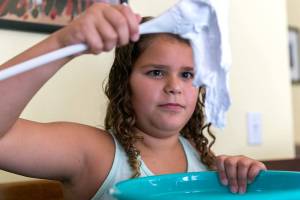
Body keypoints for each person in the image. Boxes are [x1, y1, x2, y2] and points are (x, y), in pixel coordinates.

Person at [0, 3, 266, 200]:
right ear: (124, 83)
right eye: (156, 72)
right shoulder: (95, 155)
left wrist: (248, 178)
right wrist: (63, 42)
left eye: (187, 75)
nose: (174, 86)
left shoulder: (207, 163)